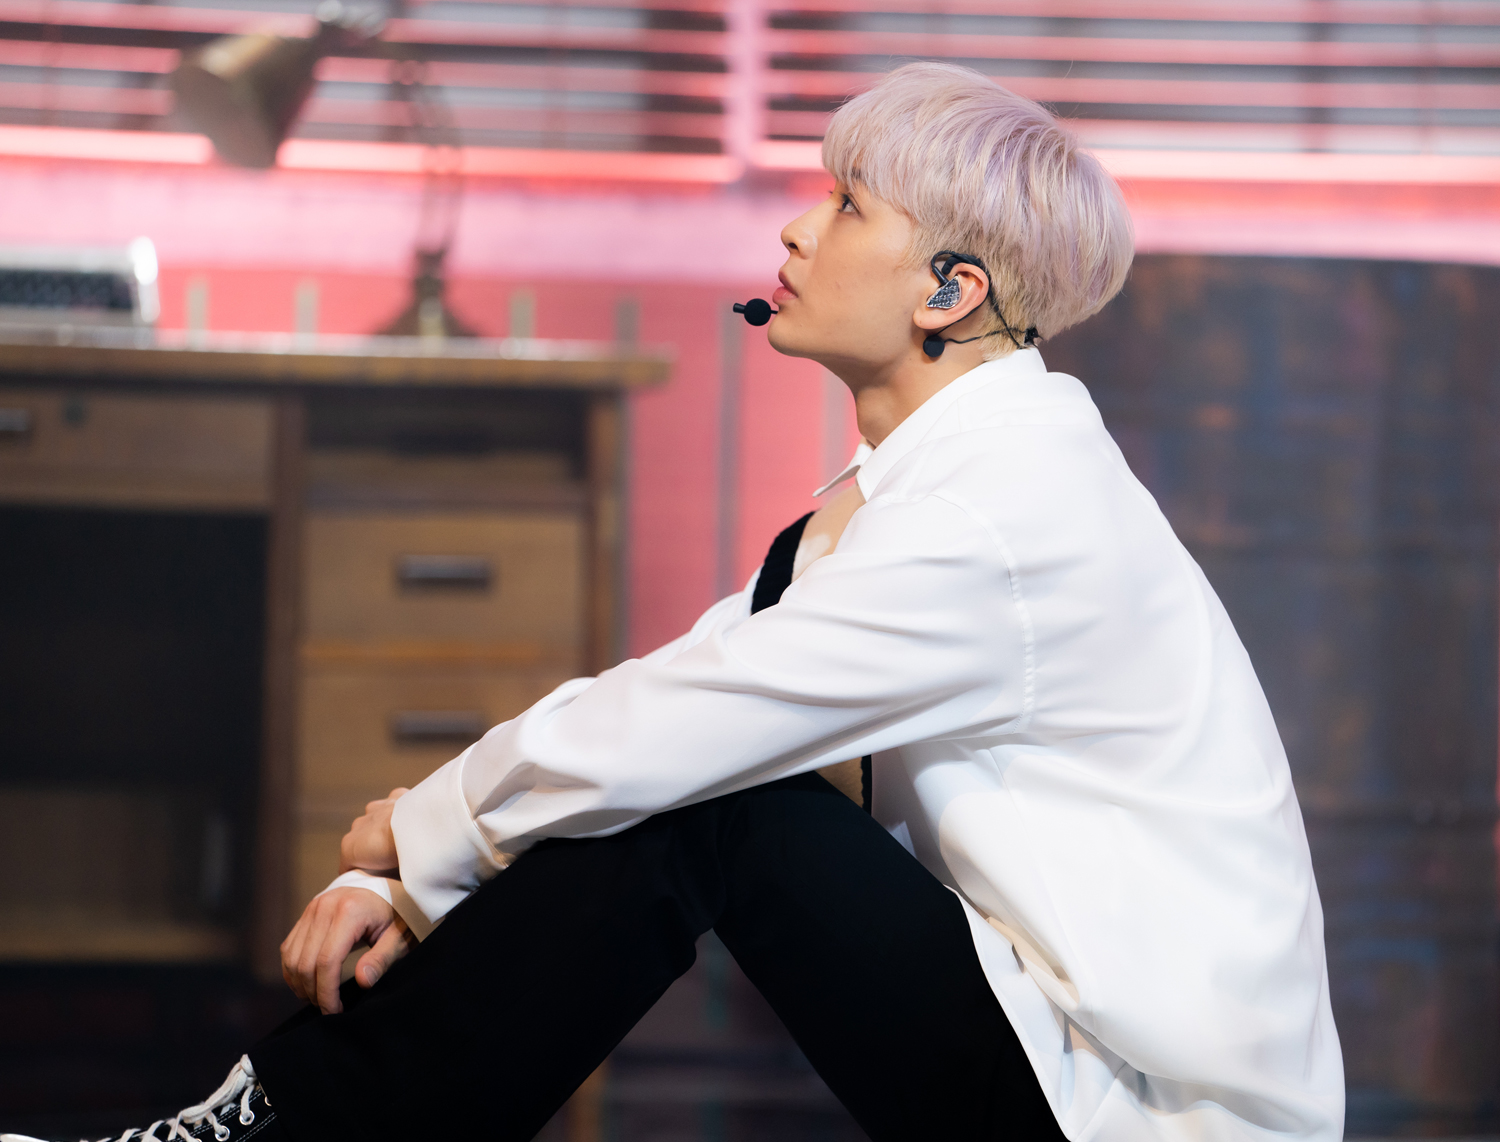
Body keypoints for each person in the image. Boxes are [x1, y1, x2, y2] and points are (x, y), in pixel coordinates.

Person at [4, 61, 1343, 1142]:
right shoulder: (939, 485)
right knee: (691, 782)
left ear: (952, 291)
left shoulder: (998, 517)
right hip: (1055, 1054)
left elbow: (692, 724)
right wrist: (414, 872)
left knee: (714, 801)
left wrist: (426, 833)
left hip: (1137, 1112)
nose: (797, 229)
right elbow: (688, 683)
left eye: (848, 206)